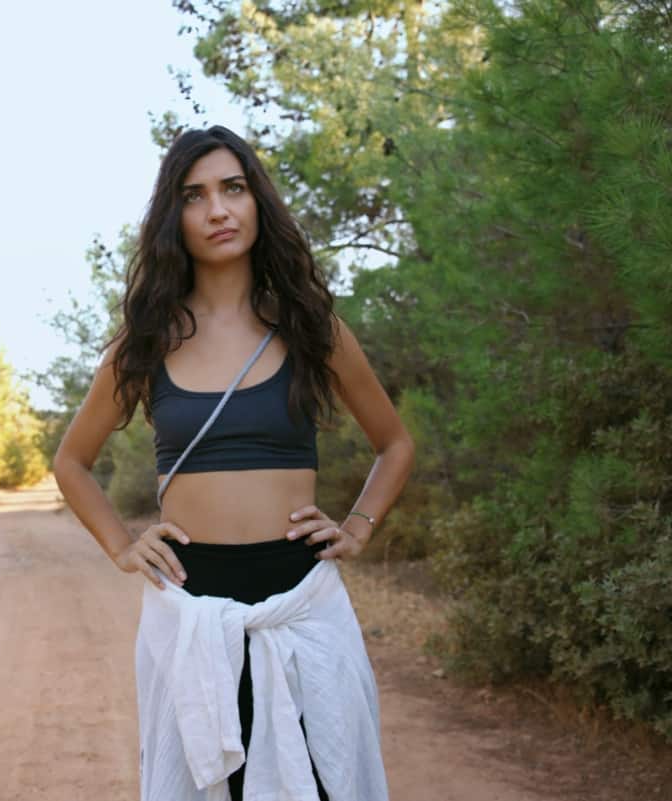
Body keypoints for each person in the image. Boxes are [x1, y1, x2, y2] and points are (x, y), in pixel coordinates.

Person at [52, 125, 414, 801]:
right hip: (191, 606)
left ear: (256, 202)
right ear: (174, 218)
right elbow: (71, 461)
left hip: (301, 602)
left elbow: (395, 443)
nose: (217, 209)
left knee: (323, 783)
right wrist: (122, 545)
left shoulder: (310, 328)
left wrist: (359, 526)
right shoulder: (146, 341)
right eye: (194, 196)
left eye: (233, 188)